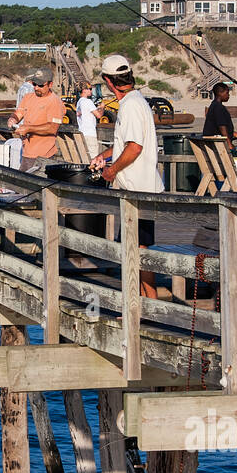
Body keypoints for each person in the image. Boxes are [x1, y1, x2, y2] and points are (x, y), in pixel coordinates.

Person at [89, 55, 164, 298]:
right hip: (139, 187)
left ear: (109, 82)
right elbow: (127, 145)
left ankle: (147, 304)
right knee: (136, 247)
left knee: (138, 249)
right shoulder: (136, 101)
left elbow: (134, 148)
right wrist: (105, 156)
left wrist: (111, 171)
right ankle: (142, 304)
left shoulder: (131, 105)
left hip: (137, 189)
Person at [6, 66, 63, 174]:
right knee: (22, 187)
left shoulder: (54, 102)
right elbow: (19, 113)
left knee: (33, 187)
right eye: (34, 84)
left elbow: (52, 128)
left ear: (50, 84)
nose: (36, 88)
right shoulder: (28, 97)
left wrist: (28, 129)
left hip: (43, 156)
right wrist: (13, 119)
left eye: (40, 85)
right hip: (26, 152)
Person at [75, 81, 105, 158]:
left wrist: (97, 108)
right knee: (93, 159)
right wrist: (102, 107)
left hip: (82, 134)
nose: (91, 91)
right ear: (84, 90)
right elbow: (99, 116)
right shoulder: (88, 101)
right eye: (90, 89)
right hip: (90, 135)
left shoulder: (79, 102)